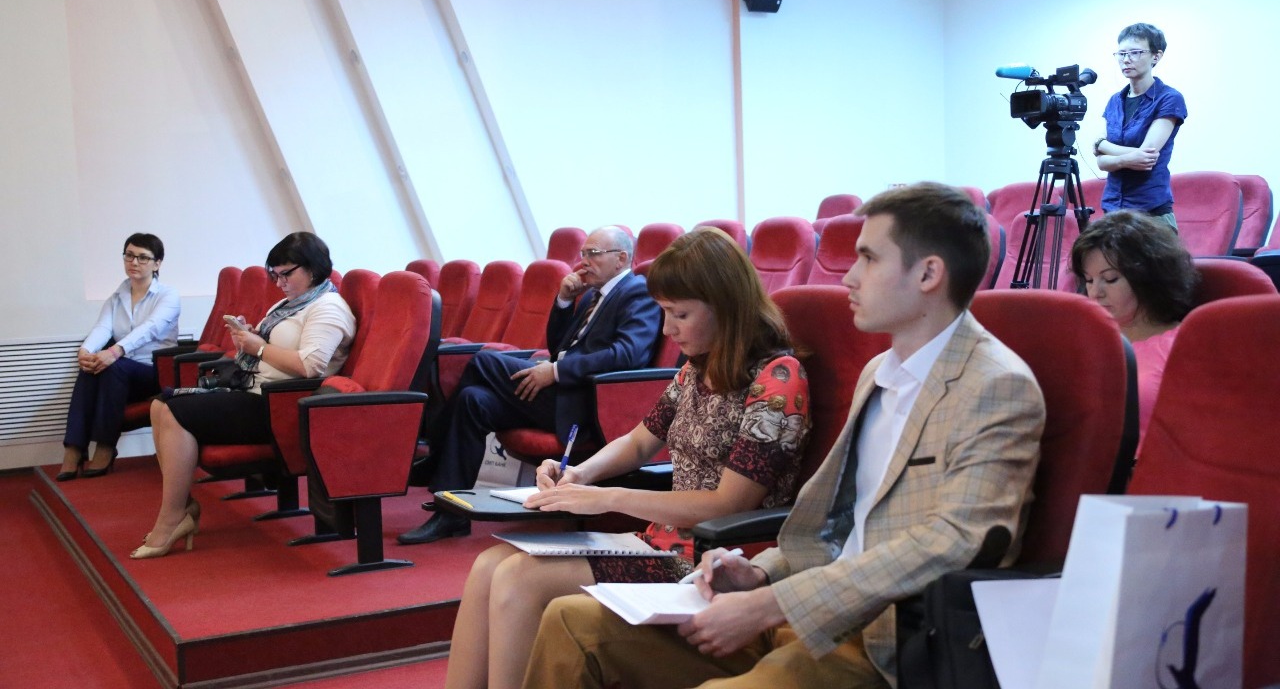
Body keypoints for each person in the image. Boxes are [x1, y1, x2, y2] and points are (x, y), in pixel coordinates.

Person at [522, 182, 1047, 689]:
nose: (850, 277)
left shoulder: (995, 385)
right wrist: (759, 574)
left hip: (876, 639)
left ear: (929, 273)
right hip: (795, 601)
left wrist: (773, 602)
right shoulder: (881, 371)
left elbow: (952, 543)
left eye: (869, 259)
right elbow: (839, 519)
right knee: (571, 623)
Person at [443, 227, 810, 689]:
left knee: (519, 580)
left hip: (712, 560)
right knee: (487, 567)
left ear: (726, 307)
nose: (667, 329)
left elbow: (728, 505)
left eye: (680, 314)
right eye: (664, 312)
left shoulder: (778, 380)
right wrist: (580, 473)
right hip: (664, 541)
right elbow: (639, 442)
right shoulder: (697, 367)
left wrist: (606, 498)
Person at [398, 226, 663, 545]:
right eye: (583, 253)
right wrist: (564, 301)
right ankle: (451, 512)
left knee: (484, 361)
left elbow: (627, 354)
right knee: (473, 400)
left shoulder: (638, 292)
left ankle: (434, 456)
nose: (584, 261)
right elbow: (557, 348)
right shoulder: (592, 296)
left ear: (621, 258)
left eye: (594, 253)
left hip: (587, 404)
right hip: (560, 395)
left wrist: (557, 372)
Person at [134, 232, 355, 559]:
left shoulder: (328, 308)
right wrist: (247, 336)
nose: (279, 282)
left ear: (313, 268)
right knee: (159, 405)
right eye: (275, 275)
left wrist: (259, 348)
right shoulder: (289, 304)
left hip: (281, 405)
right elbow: (270, 348)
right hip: (254, 390)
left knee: (172, 411)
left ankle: (172, 517)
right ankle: (180, 506)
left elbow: (310, 366)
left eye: (286, 273)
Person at [58, 233, 179, 481]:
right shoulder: (117, 296)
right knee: (91, 367)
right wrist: (85, 352)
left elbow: (149, 330)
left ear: (157, 263)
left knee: (113, 366)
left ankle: (105, 445)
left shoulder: (168, 296)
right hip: (122, 373)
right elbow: (103, 328)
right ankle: (74, 447)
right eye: (129, 256)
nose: (134, 262)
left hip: (155, 371)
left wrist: (115, 351)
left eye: (143, 258)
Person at [1071, 210, 1196, 440]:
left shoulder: (1183, 346)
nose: (1095, 292)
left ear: (1146, 278)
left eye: (1110, 279)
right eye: (1089, 280)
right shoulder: (1081, 341)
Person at [1093, 22, 1187, 231]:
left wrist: (1102, 145)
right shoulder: (1115, 101)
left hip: (1151, 213)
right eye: (1121, 54)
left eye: (1135, 53)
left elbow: (1146, 156)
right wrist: (1121, 156)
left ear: (1156, 56)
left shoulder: (1169, 98)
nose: (1126, 59)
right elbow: (1101, 162)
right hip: (1113, 210)